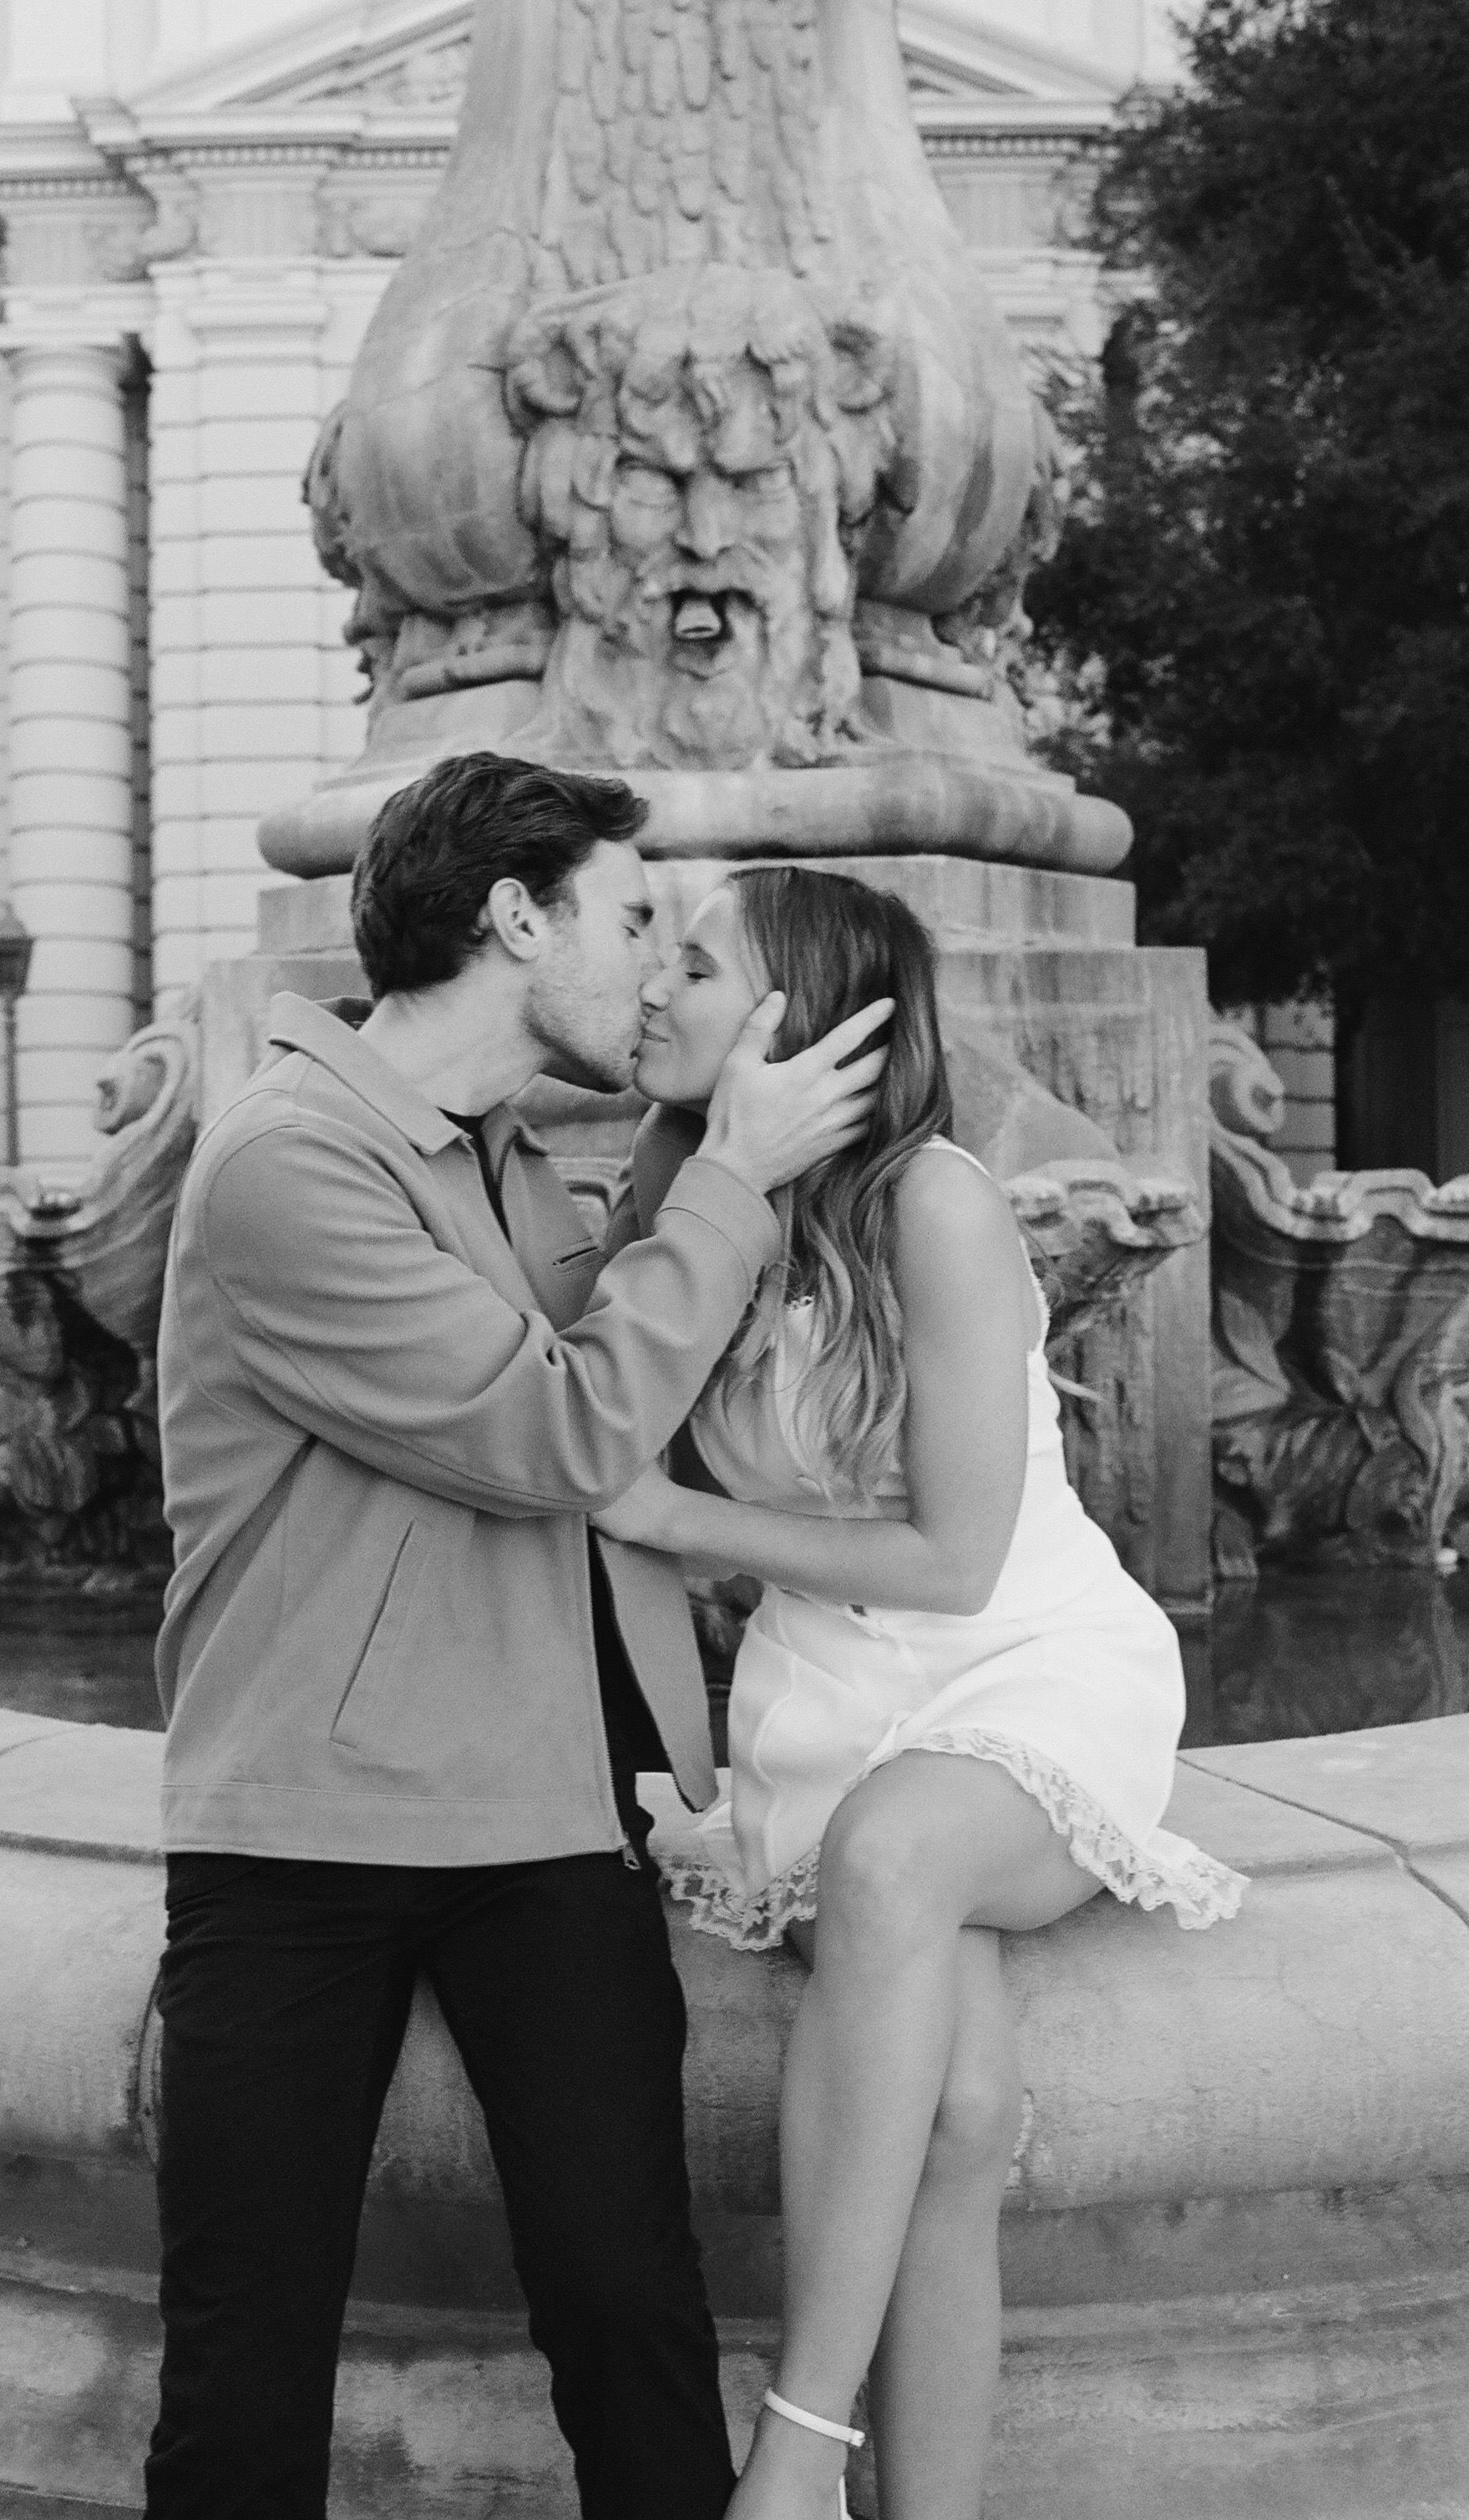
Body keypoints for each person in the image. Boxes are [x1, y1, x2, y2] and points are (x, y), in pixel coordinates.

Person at [143, 755, 893, 2520]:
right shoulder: (288, 1163)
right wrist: (735, 1174)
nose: (651, 964)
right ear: (511, 918)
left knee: (633, 2316)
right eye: (629, 919)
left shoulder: (498, 1158)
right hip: (298, 1836)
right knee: (245, 2369)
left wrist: (715, 1145)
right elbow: (557, 1432)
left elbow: (636, 1349)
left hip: (549, 1826)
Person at [590, 866, 1246, 2520]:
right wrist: (686, 1771)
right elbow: (602, 1508)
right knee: (951, 2122)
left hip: (1021, 1669)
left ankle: (793, 2454)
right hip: (820, 1707)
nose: (650, 984)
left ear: (801, 1019)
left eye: (691, 963)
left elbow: (953, 1558)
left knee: (892, 1860)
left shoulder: (934, 1202)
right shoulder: (684, 1195)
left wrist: (674, 1511)